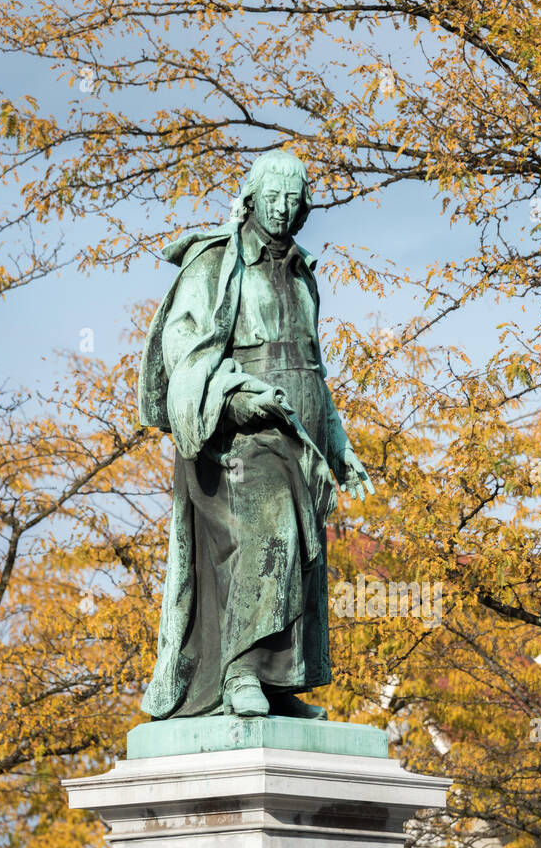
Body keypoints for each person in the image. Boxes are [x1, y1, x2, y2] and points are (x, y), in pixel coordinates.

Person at [138, 150, 373, 720]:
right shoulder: (216, 263)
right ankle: (238, 671)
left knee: (303, 557)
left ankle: (277, 679)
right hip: (238, 431)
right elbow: (183, 349)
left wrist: (340, 446)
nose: (283, 208)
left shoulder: (302, 273)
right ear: (251, 197)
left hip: (303, 431)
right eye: (273, 196)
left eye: (294, 199)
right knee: (273, 530)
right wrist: (237, 395)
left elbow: (316, 368)